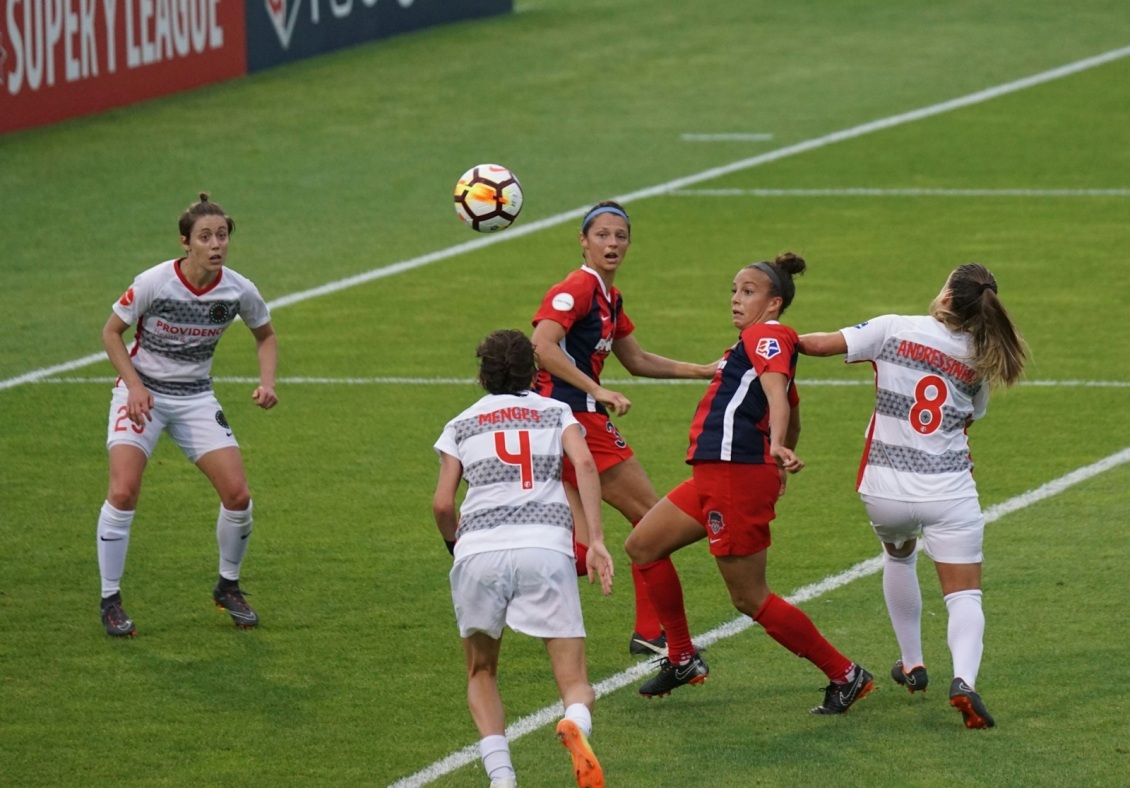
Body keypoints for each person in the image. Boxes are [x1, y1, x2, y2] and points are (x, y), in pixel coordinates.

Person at [625, 252, 875, 715]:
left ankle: (844, 674)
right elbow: (792, 404)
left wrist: (777, 445)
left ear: (774, 303)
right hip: (716, 473)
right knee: (643, 546)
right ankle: (682, 657)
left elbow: (780, 395)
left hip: (734, 476)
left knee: (748, 596)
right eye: (734, 291)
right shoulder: (754, 346)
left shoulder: (766, 335)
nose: (736, 300)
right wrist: (780, 454)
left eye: (748, 291)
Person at [797, 262, 1027, 729]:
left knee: (899, 557)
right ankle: (964, 681)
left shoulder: (893, 329)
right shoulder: (980, 361)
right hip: (949, 490)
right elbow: (968, 419)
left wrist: (769, 334)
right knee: (965, 596)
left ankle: (913, 662)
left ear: (945, 296)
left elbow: (816, 345)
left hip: (885, 488)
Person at [531, 200, 716, 655]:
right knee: (654, 522)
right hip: (574, 418)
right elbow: (542, 345)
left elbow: (636, 360)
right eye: (602, 235)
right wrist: (598, 390)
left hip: (563, 419)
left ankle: (509, 580)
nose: (612, 243)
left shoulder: (609, 298)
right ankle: (654, 634)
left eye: (620, 236)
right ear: (583, 240)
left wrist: (703, 370)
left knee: (579, 543)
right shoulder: (576, 287)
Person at [433, 329, 614, 788]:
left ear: (483, 374)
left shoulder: (460, 423)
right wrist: (595, 540)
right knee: (574, 679)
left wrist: (457, 546)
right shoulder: (556, 412)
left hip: (477, 553)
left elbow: (441, 504)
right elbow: (586, 466)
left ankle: (502, 778)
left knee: (481, 670)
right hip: (544, 548)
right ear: (534, 373)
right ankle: (576, 722)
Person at [96, 193, 278, 637]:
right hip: (141, 397)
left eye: (222, 236)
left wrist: (267, 382)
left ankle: (227, 587)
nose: (216, 244)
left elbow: (266, 335)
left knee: (238, 496)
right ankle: (110, 599)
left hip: (195, 397)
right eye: (205, 237)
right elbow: (111, 333)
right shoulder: (155, 282)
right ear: (185, 243)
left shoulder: (238, 289)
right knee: (123, 492)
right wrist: (135, 387)